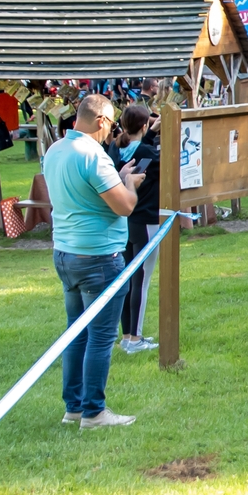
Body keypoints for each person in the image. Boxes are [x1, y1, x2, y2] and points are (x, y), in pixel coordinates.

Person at [42, 93, 146, 427]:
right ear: (100, 120)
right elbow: (125, 206)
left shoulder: (55, 150)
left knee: (76, 332)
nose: (112, 131)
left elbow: (84, 192)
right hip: (98, 257)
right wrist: (129, 183)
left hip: (65, 252)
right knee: (100, 337)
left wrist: (117, 176)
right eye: (111, 124)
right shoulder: (93, 156)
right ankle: (94, 411)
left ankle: (73, 408)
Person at [113, 104, 161, 354]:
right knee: (141, 280)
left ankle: (127, 335)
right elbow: (159, 161)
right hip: (147, 220)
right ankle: (135, 338)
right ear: (143, 125)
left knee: (128, 279)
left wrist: (150, 132)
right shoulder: (147, 152)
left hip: (126, 221)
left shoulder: (116, 148)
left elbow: (142, 152)